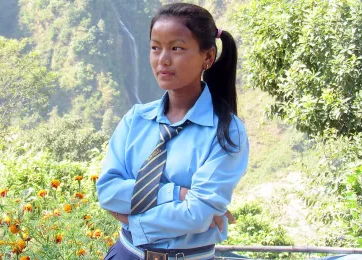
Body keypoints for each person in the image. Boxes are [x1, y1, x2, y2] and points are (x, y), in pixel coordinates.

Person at [97, 3, 249, 260]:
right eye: (156, 47)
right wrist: (176, 193)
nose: (163, 59)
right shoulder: (135, 120)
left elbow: (196, 215)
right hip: (124, 253)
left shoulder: (226, 131)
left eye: (176, 48)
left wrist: (130, 219)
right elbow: (108, 191)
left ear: (208, 57)